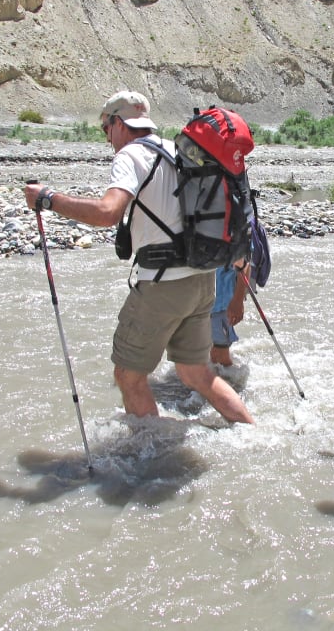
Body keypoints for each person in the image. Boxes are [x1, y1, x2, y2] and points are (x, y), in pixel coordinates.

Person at [24, 90, 254, 425]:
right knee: (196, 373)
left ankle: (154, 460)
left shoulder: (131, 156)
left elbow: (108, 213)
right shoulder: (181, 150)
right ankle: (249, 430)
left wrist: (49, 199)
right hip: (202, 280)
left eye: (106, 129)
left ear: (119, 123)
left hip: (162, 285)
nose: (107, 138)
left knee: (128, 376)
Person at [210, 264, 248, 367]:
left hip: (220, 307)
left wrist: (238, 300)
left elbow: (245, 265)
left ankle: (230, 381)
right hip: (198, 304)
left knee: (220, 357)